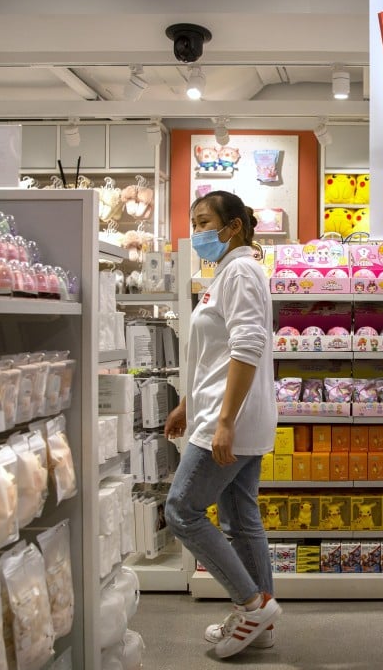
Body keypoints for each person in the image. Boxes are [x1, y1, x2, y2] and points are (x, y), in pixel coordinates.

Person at [164, 191, 281, 659]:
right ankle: (263, 625)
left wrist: (224, 421)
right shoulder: (227, 273)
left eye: (205, 221)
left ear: (233, 227)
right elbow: (215, 354)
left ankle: (252, 605)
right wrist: (188, 404)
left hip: (229, 417)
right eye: (194, 222)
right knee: (240, 517)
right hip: (220, 411)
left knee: (181, 510)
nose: (198, 231)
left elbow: (248, 345)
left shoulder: (241, 271)